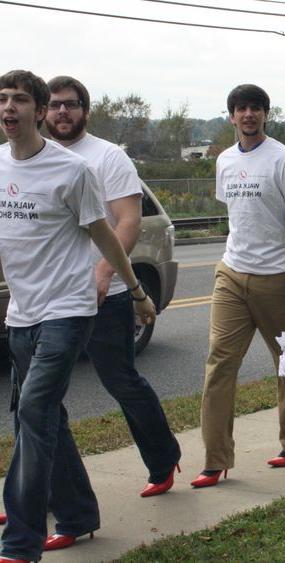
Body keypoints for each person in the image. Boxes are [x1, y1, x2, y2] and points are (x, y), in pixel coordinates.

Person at [0, 69, 156, 563]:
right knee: (48, 418)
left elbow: (106, 233)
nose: (9, 108)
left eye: (20, 100)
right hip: (22, 312)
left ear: (40, 110)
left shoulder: (71, 170)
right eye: (2, 100)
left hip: (69, 308)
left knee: (32, 413)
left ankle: (20, 542)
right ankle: (79, 514)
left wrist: (132, 289)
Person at [44, 76, 181, 510]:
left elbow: (127, 221)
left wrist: (104, 272)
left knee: (120, 381)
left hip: (108, 294)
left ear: (84, 110)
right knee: (38, 398)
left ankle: (163, 459)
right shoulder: (34, 157)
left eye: (70, 105)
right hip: (51, 296)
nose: (61, 113)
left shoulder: (107, 157)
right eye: (53, 106)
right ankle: (39, 490)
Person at [192, 84, 285, 489]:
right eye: (241, 109)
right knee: (218, 365)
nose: (248, 115)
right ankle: (215, 460)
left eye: (255, 109)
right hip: (231, 273)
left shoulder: (284, 159)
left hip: (279, 277)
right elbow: (236, 214)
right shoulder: (225, 161)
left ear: (265, 114)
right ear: (231, 116)